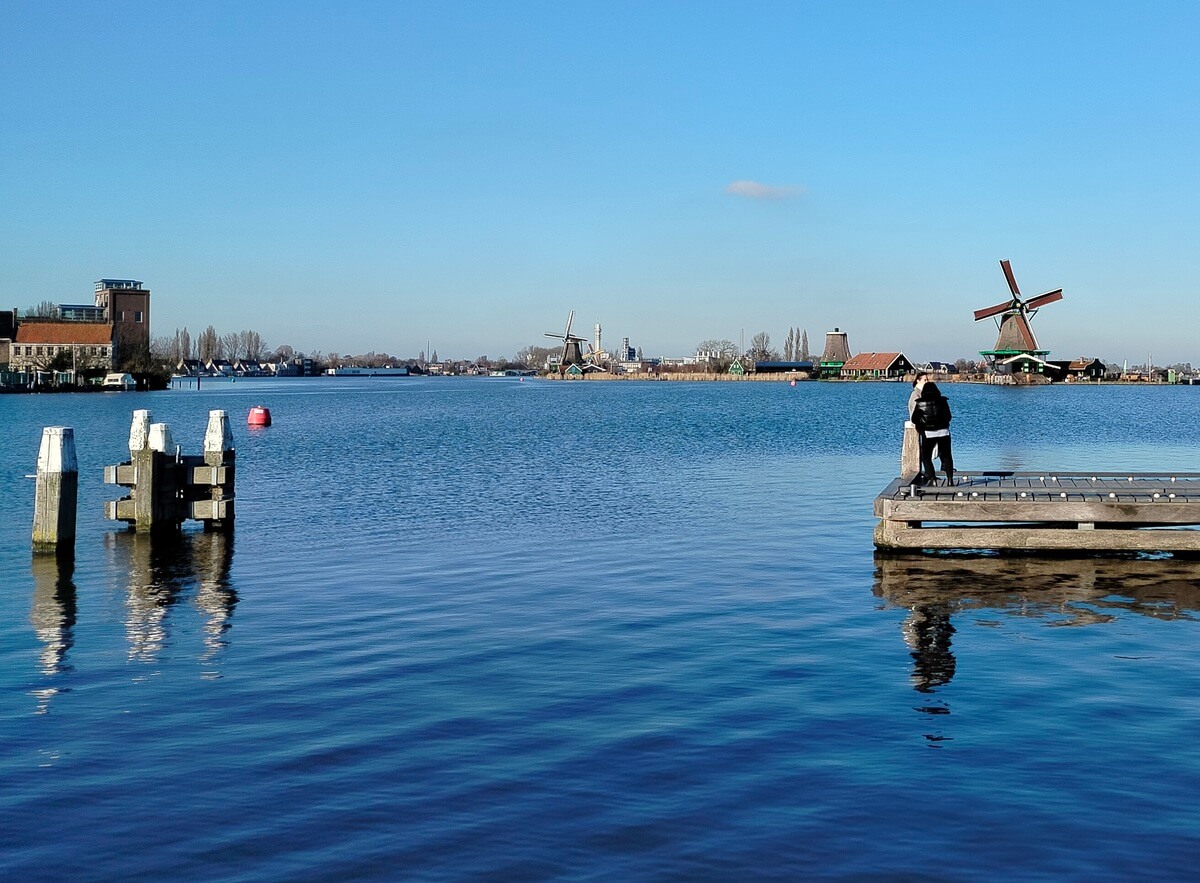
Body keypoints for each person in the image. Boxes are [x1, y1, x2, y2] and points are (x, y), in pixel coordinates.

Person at [911, 381, 953, 485]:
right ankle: (950, 480)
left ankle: (932, 478)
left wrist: (922, 424)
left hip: (928, 433)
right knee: (947, 456)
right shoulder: (943, 401)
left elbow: (914, 419)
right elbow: (948, 416)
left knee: (926, 457)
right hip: (944, 432)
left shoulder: (920, 403)